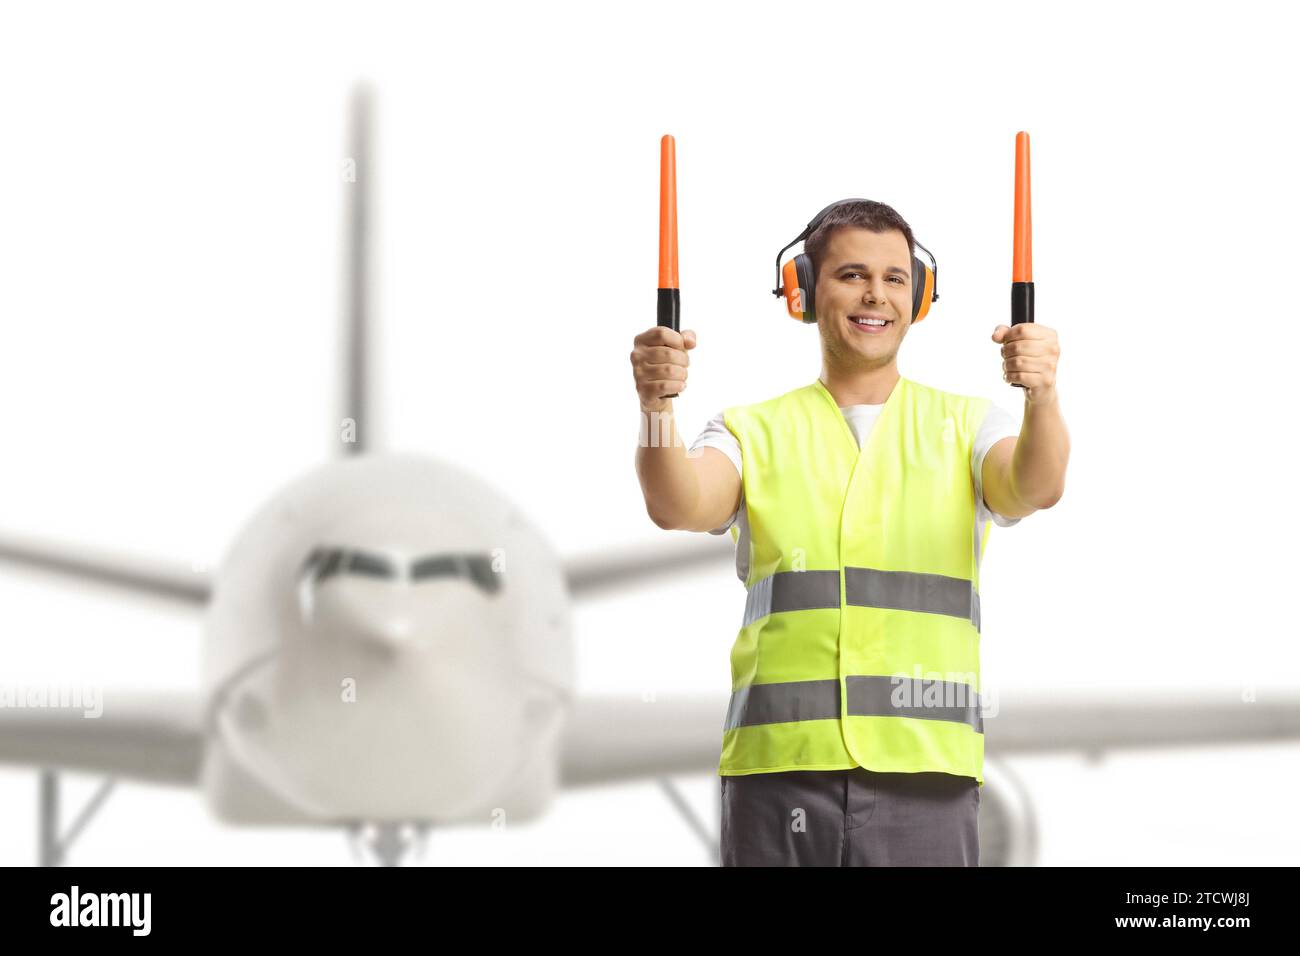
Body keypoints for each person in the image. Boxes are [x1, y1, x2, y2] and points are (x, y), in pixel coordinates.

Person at [630, 199, 1069, 866]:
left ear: (919, 296)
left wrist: (1042, 395)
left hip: (925, 778)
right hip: (779, 777)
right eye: (852, 275)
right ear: (804, 291)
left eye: (895, 278)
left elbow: (1037, 485)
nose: (876, 295)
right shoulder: (753, 430)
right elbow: (675, 503)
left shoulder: (967, 426)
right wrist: (656, 407)